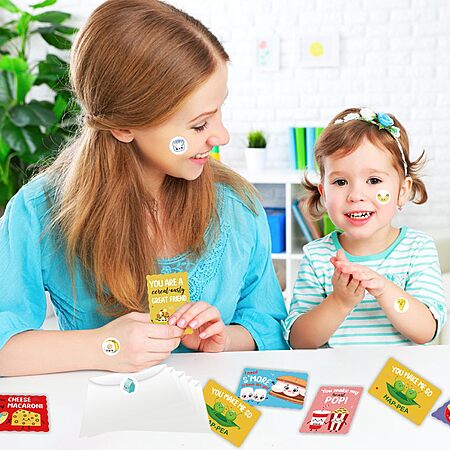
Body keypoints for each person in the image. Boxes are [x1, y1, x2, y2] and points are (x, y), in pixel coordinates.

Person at [0, 0, 288, 377]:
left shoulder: (236, 205)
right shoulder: (39, 212)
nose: (222, 136)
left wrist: (225, 339)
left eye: (219, 111)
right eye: (199, 125)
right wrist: (106, 347)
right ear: (124, 127)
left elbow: (270, 328)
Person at [286, 107, 447, 348]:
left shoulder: (417, 249)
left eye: (374, 180)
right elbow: (299, 341)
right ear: (323, 193)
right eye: (340, 181)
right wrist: (339, 302)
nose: (356, 195)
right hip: (336, 373)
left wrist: (384, 290)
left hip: (396, 371)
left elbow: (426, 331)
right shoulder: (317, 256)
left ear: (402, 191)